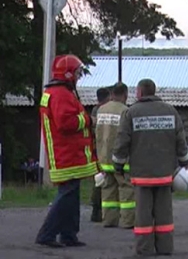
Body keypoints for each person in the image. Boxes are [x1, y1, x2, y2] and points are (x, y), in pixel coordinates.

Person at [111, 79, 188, 256]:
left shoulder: (131, 113)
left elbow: (122, 141)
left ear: (139, 92)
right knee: (164, 215)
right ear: (154, 91)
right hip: (165, 174)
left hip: (142, 174)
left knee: (143, 215)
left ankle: (144, 249)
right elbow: (180, 141)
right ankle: (165, 248)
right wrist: (185, 163)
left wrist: (118, 164)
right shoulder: (171, 111)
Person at [35, 54, 99, 248]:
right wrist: (88, 120)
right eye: (78, 72)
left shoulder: (58, 92)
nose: (79, 76)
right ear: (69, 73)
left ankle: (68, 235)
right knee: (67, 195)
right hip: (66, 154)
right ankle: (47, 234)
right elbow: (66, 123)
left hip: (67, 153)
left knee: (72, 194)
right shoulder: (61, 94)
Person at [96, 82, 135, 228]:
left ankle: (109, 220)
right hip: (121, 159)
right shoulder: (126, 111)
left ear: (112, 94)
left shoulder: (101, 110)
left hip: (104, 157)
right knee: (126, 189)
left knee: (107, 190)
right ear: (125, 95)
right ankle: (127, 221)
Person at [90, 87, 111, 223]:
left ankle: (97, 210)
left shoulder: (94, 111)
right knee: (102, 180)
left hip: (96, 148)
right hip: (103, 148)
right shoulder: (102, 111)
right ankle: (98, 209)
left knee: (99, 179)